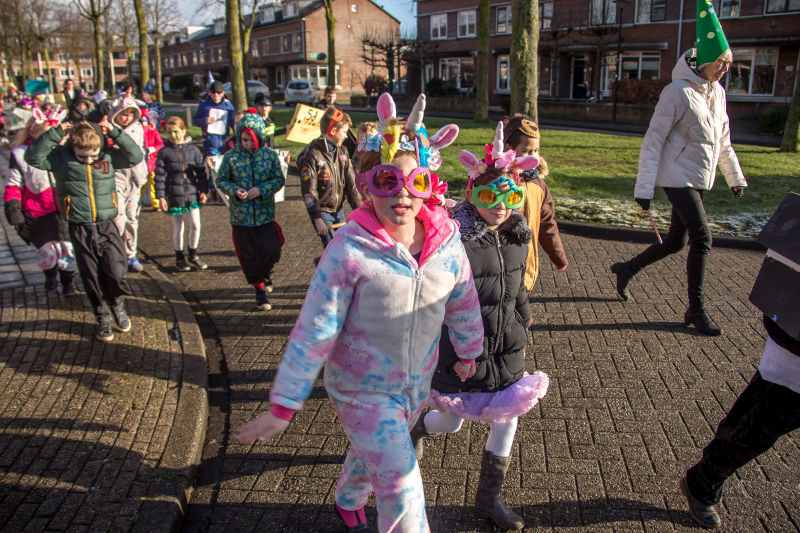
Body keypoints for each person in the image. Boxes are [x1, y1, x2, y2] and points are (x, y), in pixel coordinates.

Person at [235, 92, 484, 533]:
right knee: (403, 484)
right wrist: (283, 405)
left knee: (379, 452)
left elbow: (462, 298)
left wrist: (468, 351)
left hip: (415, 383)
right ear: (367, 184)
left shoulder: (447, 242)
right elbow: (315, 330)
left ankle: (348, 496)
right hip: (359, 389)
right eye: (388, 182)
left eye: (416, 183)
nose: (403, 195)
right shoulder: (349, 250)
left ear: (430, 184)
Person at [411, 126, 549, 531]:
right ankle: (421, 424)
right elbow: (438, 299)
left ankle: (489, 498)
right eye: (490, 197)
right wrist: (452, 353)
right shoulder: (454, 238)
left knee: (508, 416)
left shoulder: (516, 234)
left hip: (506, 347)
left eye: (511, 196)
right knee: (450, 420)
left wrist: (523, 318)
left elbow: (516, 284)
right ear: (471, 194)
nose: (502, 206)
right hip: (459, 348)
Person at [610, 4, 746, 337]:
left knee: (675, 241)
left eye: (728, 65)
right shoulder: (677, 92)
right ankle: (695, 310)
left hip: (698, 176)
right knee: (702, 238)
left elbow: (723, 141)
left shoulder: (717, 95)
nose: (724, 70)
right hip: (676, 177)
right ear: (704, 62)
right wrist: (644, 188)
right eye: (720, 64)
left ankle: (627, 269)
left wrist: (734, 177)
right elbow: (653, 140)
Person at [25, 117, 144, 342]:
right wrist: (56, 132)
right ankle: (102, 316)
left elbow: (135, 156)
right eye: (82, 156)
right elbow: (32, 157)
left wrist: (115, 132)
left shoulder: (108, 155)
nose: (88, 160)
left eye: (93, 155)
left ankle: (117, 306)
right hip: (80, 228)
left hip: (107, 226)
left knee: (116, 271)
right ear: (72, 147)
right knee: (91, 276)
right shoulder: (60, 158)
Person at [214, 113, 285, 311]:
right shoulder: (230, 157)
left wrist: (261, 190)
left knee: (272, 249)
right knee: (249, 257)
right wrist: (234, 191)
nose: (246, 144)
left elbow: (279, 179)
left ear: (260, 137)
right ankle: (260, 291)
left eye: (250, 140)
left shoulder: (270, 156)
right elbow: (221, 180)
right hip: (241, 217)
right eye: (243, 139)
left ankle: (266, 273)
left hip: (264, 214)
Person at [3, 108, 76, 295]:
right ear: (33, 132)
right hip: (37, 212)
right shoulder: (20, 153)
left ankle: (68, 280)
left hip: (63, 210)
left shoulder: (64, 150)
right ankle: (50, 273)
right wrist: (14, 212)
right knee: (47, 252)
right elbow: (13, 185)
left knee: (67, 249)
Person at [501, 115, 568, 291]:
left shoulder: (538, 184)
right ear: (510, 149)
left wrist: (558, 256)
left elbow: (546, 223)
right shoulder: (498, 181)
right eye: (527, 151)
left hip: (527, 267)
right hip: (497, 265)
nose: (534, 157)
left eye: (536, 151)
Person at [298, 107, 363, 259]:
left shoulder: (343, 152)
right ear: (333, 131)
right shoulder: (312, 154)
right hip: (322, 212)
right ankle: (326, 274)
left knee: (342, 245)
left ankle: (325, 268)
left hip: (338, 210)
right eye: (345, 132)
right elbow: (309, 191)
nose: (346, 136)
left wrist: (359, 209)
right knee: (334, 248)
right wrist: (317, 218)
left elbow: (351, 184)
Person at [154, 117, 208, 272]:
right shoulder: (164, 152)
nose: (173, 135)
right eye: (169, 132)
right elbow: (159, 176)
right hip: (173, 193)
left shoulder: (194, 150)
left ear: (183, 131)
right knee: (178, 227)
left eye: (176, 131)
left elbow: (200, 173)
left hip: (192, 193)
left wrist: (203, 190)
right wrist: (161, 196)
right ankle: (179, 257)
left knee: (196, 225)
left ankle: (193, 254)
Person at [107, 89, 149, 273]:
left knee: (132, 218)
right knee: (118, 217)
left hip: (135, 177)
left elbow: (139, 151)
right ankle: (117, 254)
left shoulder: (137, 128)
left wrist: (143, 173)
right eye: (123, 114)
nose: (126, 118)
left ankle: (131, 254)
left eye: (130, 114)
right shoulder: (106, 129)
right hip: (115, 176)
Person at [193, 80, 235, 202]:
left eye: (218, 92)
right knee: (212, 169)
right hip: (210, 144)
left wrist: (235, 135)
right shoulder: (204, 106)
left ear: (222, 93)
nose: (215, 95)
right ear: (209, 93)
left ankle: (222, 192)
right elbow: (196, 120)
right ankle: (213, 191)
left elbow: (233, 123)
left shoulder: (228, 106)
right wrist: (205, 120)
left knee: (224, 169)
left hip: (224, 143)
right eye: (213, 92)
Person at [139, 107, 164, 208]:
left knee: (153, 183)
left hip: (152, 162)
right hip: (140, 163)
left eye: (144, 119)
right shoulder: (135, 132)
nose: (142, 122)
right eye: (140, 120)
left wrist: (153, 149)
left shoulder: (152, 131)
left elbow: (160, 143)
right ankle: (137, 202)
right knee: (141, 183)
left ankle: (156, 204)